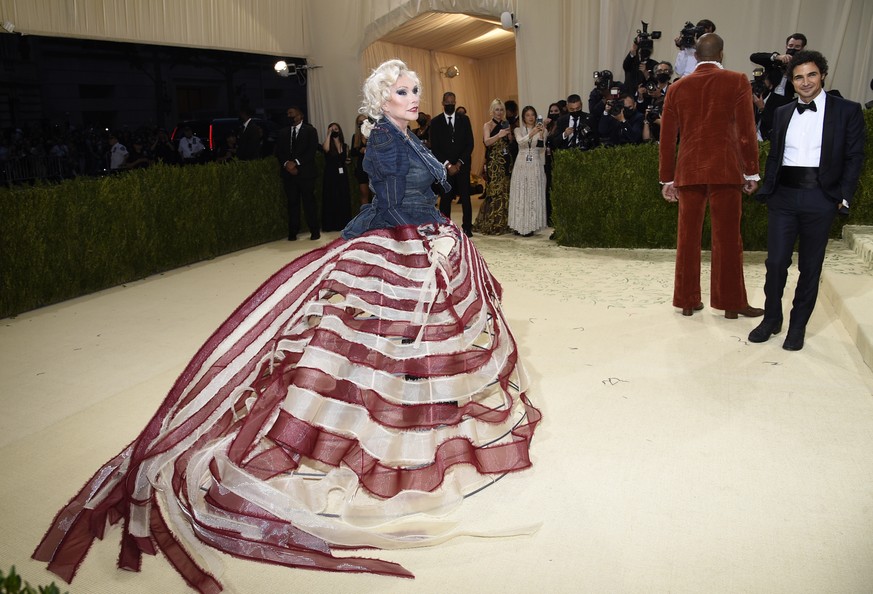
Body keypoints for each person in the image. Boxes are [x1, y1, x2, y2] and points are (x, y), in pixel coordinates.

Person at [33, 58, 541, 594]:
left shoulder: (409, 138)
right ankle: (387, 421)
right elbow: (392, 204)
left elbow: (438, 178)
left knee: (423, 330)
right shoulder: (383, 144)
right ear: (381, 99)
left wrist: (438, 203)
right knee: (385, 333)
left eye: (416, 90)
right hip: (401, 242)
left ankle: (420, 404)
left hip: (424, 237)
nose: (414, 97)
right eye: (402, 91)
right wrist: (401, 238)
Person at [748, 50, 865, 351]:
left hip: (821, 198)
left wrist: (842, 197)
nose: (805, 81)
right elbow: (775, 155)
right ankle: (772, 318)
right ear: (792, 81)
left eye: (811, 74)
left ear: (822, 75)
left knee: (810, 268)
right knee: (775, 263)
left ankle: (797, 326)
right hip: (784, 197)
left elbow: (854, 158)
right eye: (798, 77)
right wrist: (768, 188)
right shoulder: (783, 111)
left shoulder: (847, 110)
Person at [658, 33, 764, 319]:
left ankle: (687, 300)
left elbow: (667, 138)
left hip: (689, 170)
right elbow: (746, 130)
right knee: (728, 238)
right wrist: (751, 170)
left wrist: (667, 179)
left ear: (695, 56)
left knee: (687, 238)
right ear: (721, 54)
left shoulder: (677, 88)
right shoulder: (737, 80)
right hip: (726, 169)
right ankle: (731, 304)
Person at [429, 91, 475, 237]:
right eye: (447, 103)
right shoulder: (435, 122)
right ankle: (445, 227)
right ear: (443, 103)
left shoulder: (464, 120)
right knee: (446, 197)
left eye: (452, 103)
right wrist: (448, 165)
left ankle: (467, 227)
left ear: (455, 102)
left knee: (466, 197)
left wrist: (459, 163)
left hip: (462, 165)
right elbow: (435, 148)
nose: (450, 105)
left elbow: (470, 144)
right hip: (445, 168)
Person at [274, 105, 320, 240]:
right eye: (288, 114)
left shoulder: (310, 131)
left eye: (292, 113)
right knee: (292, 203)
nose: (289, 116)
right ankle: (293, 232)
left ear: (300, 115)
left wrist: (296, 163)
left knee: (309, 203)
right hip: (288, 175)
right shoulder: (283, 133)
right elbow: (279, 152)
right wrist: (286, 164)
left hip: (306, 174)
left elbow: (311, 151)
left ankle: (314, 230)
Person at [473, 98, 513, 235]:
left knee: (505, 190)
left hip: (506, 161)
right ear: (492, 111)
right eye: (497, 109)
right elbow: (487, 142)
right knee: (494, 191)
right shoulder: (488, 125)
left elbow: (510, 143)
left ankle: (505, 223)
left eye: (502, 110)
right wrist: (499, 134)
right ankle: (492, 223)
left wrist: (509, 134)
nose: (499, 112)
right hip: (494, 162)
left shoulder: (506, 124)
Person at [508, 106, 548, 236]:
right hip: (521, 163)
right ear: (524, 118)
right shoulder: (518, 130)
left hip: (535, 163)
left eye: (533, 115)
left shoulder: (543, 130)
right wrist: (532, 133)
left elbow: (541, 148)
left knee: (532, 192)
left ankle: (530, 226)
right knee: (520, 191)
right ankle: (517, 224)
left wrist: (541, 134)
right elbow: (520, 142)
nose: (531, 117)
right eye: (527, 115)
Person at [750, 33, 807, 99]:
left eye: (797, 46)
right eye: (790, 46)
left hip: (786, 100)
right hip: (767, 97)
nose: (793, 49)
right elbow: (753, 57)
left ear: (802, 49)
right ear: (786, 46)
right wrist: (776, 57)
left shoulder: (803, 66)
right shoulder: (776, 60)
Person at [320, 121, 352, 231]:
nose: (334, 131)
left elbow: (346, 158)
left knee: (343, 197)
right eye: (331, 129)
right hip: (330, 175)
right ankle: (331, 224)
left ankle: (344, 223)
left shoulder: (345, 146)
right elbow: (326, 149)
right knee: (331, 197)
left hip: (342, 175)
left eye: (336, 129)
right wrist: (328, 134)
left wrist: (347, 161)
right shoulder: (328, 143)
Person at [350, 113, 370, 205]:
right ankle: (365, 217)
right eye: (360, 122)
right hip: (361, 168)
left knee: (377, 195)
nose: (362, 123)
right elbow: (352, 153)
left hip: (374, 167)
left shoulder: (373, 135)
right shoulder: (355, 137)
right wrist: (360, 151)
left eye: (364, 121)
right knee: (363, 194)